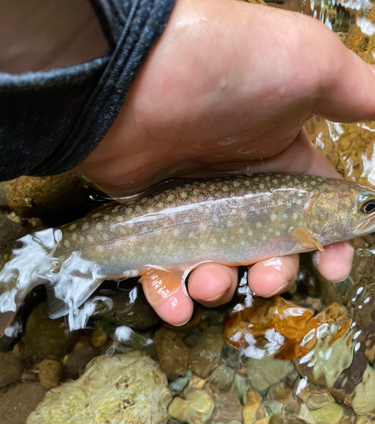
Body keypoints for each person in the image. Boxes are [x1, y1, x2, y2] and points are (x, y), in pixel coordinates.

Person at [1, 0, 375, 325]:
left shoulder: (305, 213)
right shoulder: (302, 221)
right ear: (319, 211)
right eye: (366, 206)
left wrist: (115, 64)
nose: (369, 212)